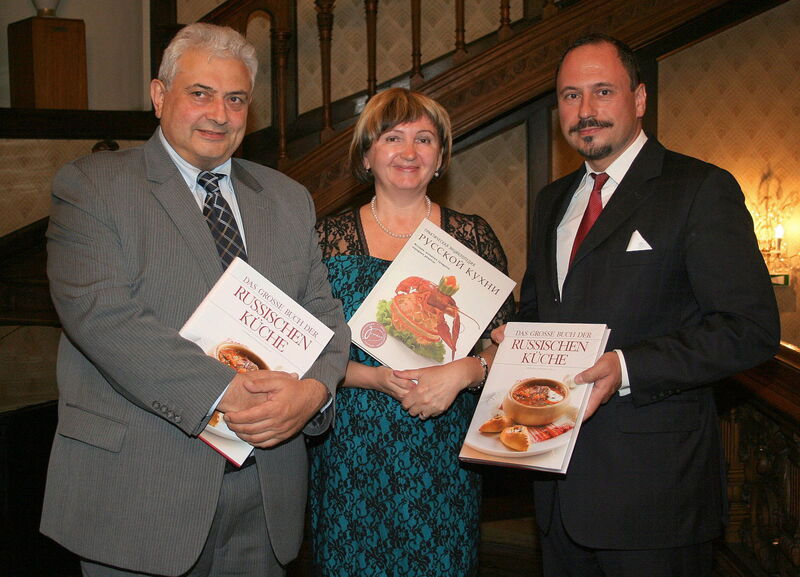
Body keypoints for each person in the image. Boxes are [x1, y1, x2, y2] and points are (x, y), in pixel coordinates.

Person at [40, 23, 349, 577]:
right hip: (139, 495)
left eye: (235, 99)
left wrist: (313, 392)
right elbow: (103, 318)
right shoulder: (92, 186)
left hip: (264, 496)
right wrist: (228, 389)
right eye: (200, 93)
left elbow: (323, 315)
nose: (220, 113)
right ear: (159, 97)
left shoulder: (287, 198)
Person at [493, 33, 780, 577]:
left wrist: (627, 366)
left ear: (640, 98)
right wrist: (515, 339)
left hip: (656, 495)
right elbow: (537, 307)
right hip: (554, 485)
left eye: (603, 91)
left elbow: (749, 328)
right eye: (571, 96)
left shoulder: (699, 189)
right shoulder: (551, 201)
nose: (586, 111)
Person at [309, 87, 515, 576]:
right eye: (392, 137)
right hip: (349, 454)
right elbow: (305, 350)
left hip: (442, 452)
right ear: (367, 154)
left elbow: (511, 348)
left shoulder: (473, 237)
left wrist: (466, 370)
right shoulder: (325, 238)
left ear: (440, 157)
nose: (408, 152)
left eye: (424, 139)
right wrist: (373, 378)